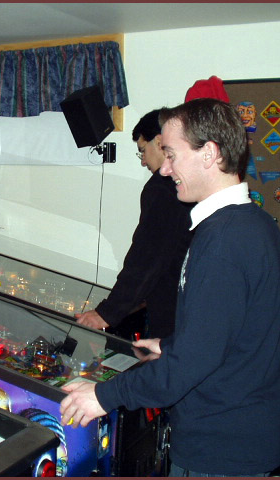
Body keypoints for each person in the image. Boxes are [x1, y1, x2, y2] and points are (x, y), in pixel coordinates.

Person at [60, 95, 280, 477]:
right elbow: (228, 334)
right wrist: (170, 346)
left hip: (221, 449)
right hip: (237, 436)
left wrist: (103, 396)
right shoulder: (251, 223)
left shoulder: (225, 241)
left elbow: (189, 366)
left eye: (171, 155)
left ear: (209, 154)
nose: (165, 170)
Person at [75, 109, 193, 340]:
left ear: (159, 142)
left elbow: (147, 256)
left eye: (142, 151)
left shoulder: (162, 187)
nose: (143, 161)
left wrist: (107, 313)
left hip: (174, 311)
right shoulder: (187, 183)